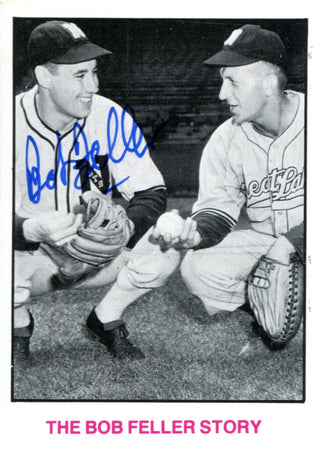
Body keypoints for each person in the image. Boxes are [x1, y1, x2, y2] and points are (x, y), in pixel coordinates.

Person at [14, 20, 180, 363]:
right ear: (45, 77)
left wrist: (127, 228)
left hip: (98, 252)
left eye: (94, 72)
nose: (93, 85)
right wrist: (28, 229)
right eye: (79, 75)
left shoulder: (109, 116)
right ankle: (18, 327)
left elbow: (151, 189)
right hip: (30, 259)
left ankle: (105, 320)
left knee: (165, 245)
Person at [152, 24, 304, 332]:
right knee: (199, 266)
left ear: (268, 83)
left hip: (301, 240)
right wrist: (197, 234)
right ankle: (267, 315)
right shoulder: (226, 138)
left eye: (232, 82)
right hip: (269, 242)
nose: (223, 94)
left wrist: (295, 242)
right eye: (222, 82)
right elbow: (218, 208)